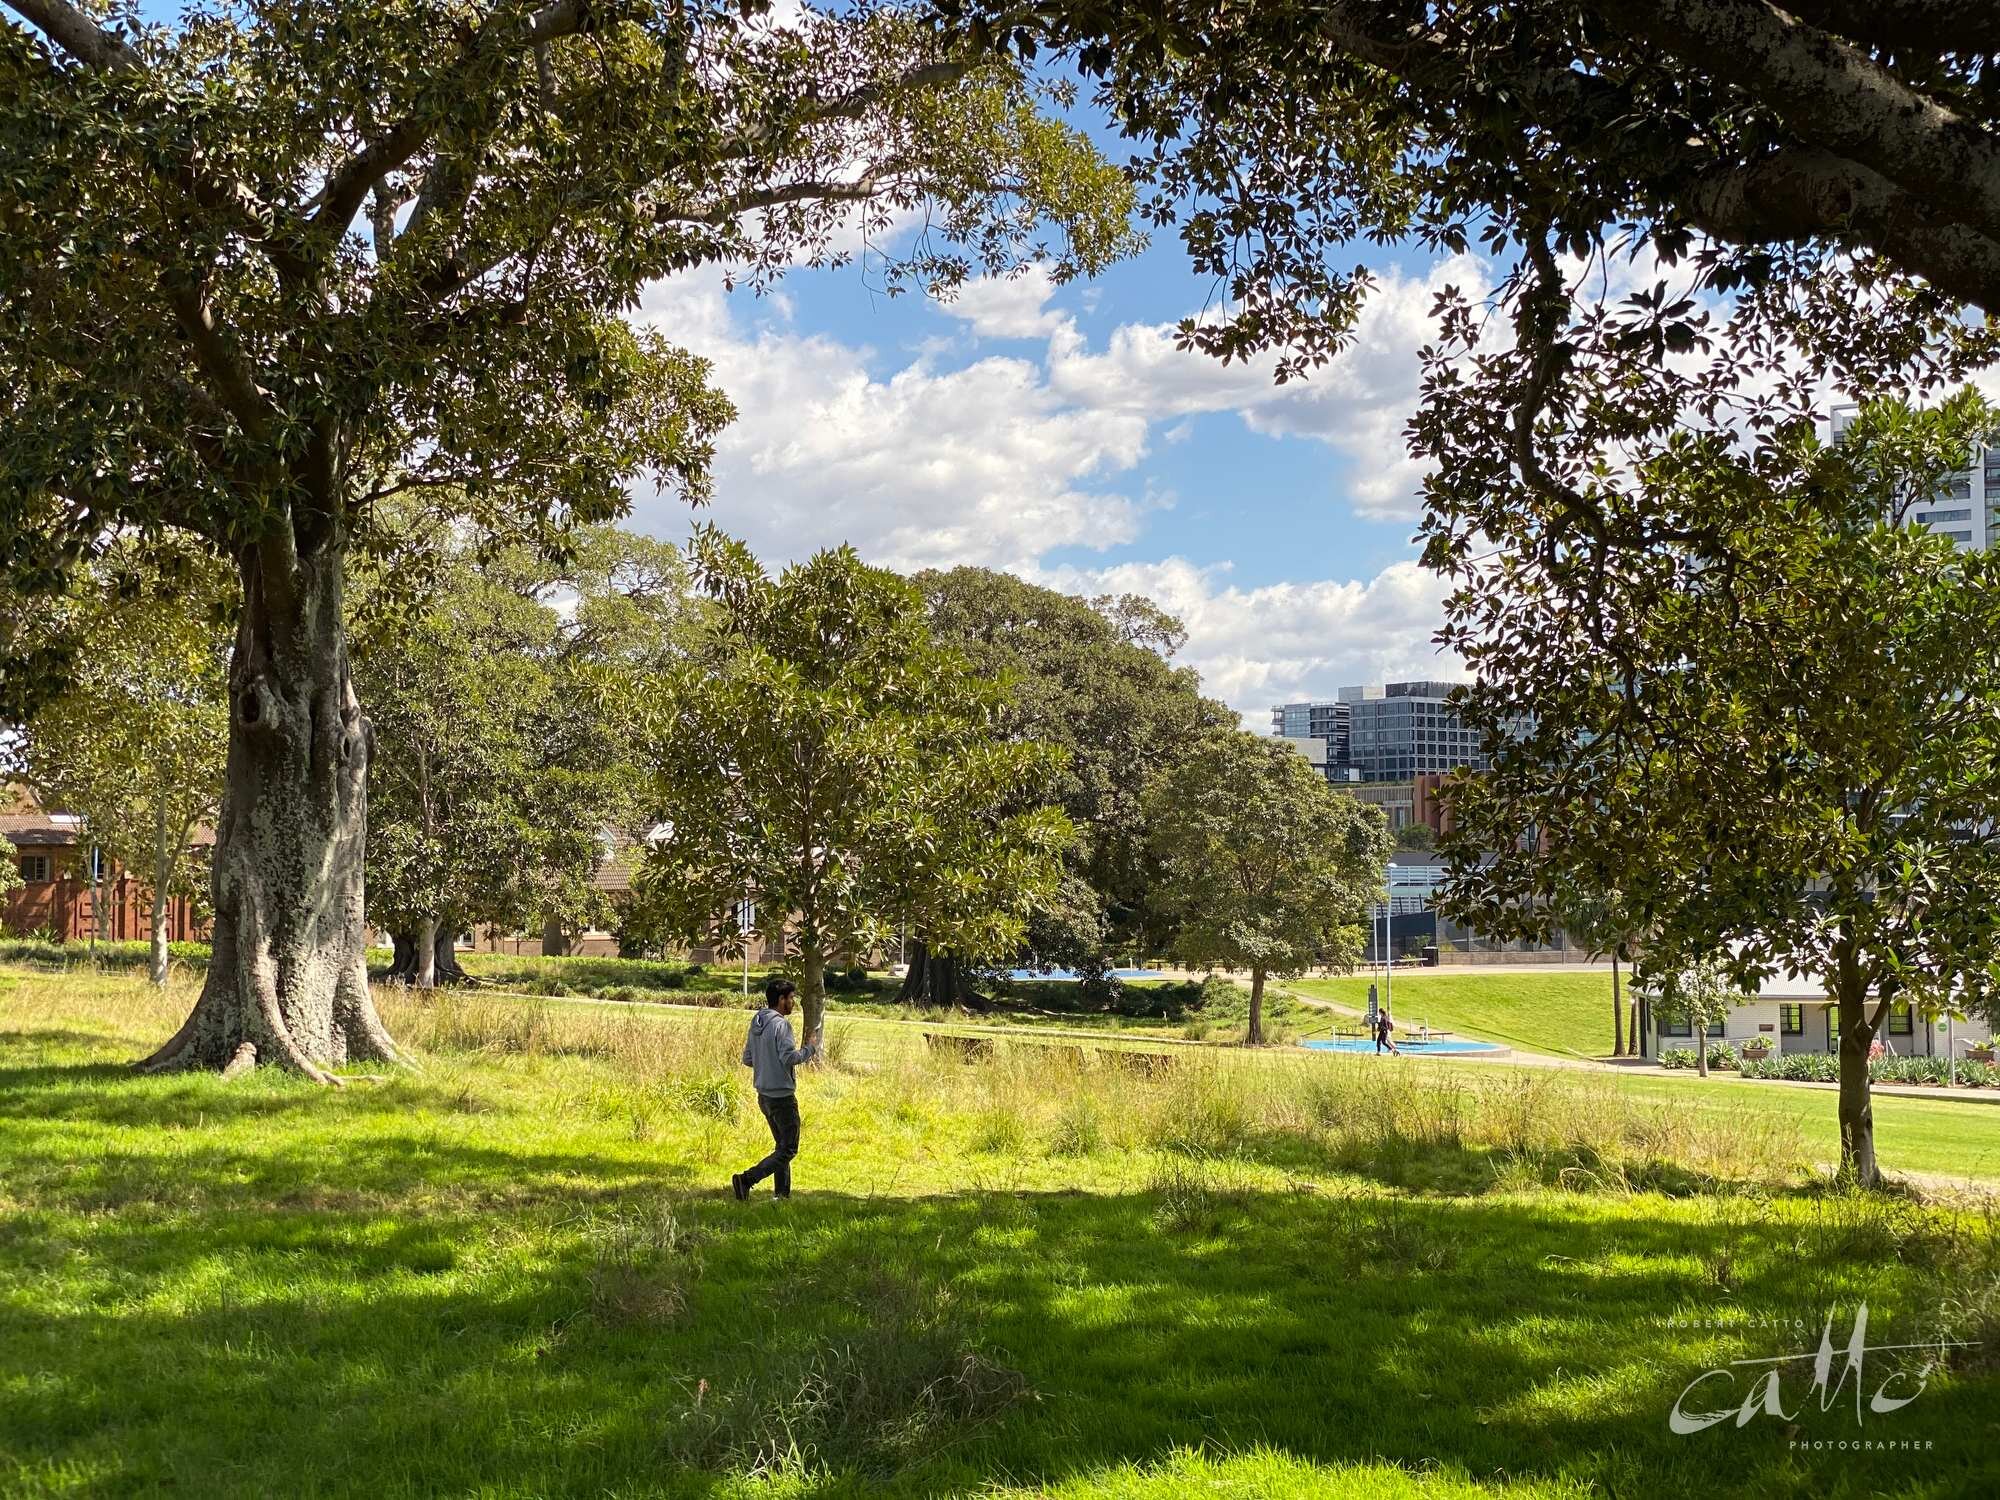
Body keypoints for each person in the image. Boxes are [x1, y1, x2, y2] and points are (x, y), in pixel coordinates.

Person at [732, 977, 819, 1200]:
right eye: (791, 998)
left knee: (781, 1147)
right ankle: (747, 1179)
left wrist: (766, 1060)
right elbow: (789, 1057)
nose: (793, 1003)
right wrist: (810, 1048)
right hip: (782, 1097)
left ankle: (782, 1195)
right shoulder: (782, 1025)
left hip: (764, 1096)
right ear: (781, 1000)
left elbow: (748, 1059)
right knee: (789, 1149)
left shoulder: (757, 1021)